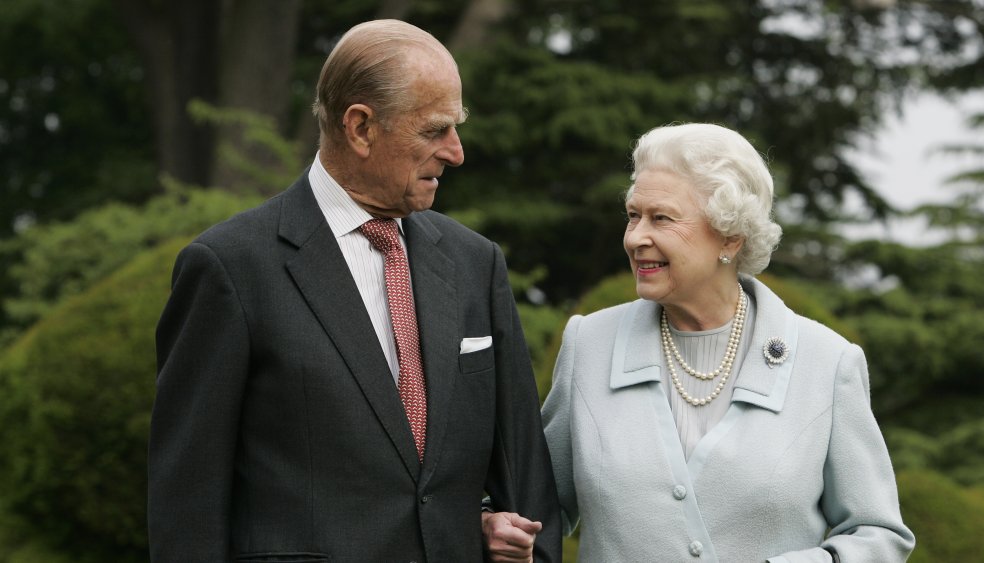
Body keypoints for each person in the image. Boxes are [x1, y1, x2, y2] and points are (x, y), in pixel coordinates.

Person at [149, 19, 560, 562]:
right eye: (434, 130)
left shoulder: (475, 263)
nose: (456, 152)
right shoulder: (229, 268)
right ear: (361, 128)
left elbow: (525, 477)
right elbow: (187, 505)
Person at [484, 123, 915, 562]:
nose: (635, 238)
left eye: (662, 218)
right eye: (634, 215)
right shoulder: (589, 344)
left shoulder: (827, 362)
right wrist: (495, 527)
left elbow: (878, 535)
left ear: (730, 235)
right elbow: (535, 506)